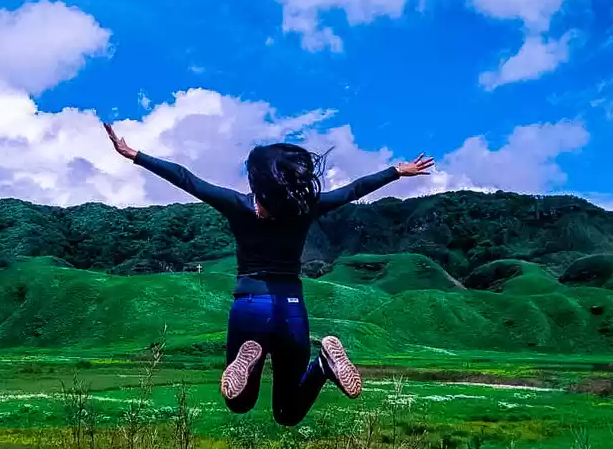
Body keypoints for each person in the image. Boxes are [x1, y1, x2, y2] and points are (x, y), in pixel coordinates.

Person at [104, 123, 434, 426]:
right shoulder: (306, 208)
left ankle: (251, 355)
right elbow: (354, 189)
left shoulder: (237, 204)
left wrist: (134, 154)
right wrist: (396, 171)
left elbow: (186, 178)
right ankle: (323, 366)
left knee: (239, 404)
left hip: (250, 306)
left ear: (256, 181)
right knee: (288, 412)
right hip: (291, 309)